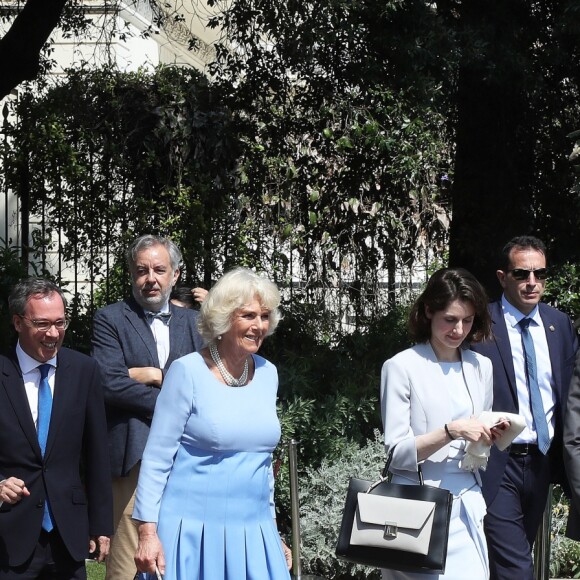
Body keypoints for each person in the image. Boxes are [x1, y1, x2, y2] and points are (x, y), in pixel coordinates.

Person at [132, 267, 292, 580]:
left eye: (264, 316)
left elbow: (262, 464)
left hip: (254, 530)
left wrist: (273, 531)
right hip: (193, 532)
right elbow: (157, 458)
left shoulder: (268, 373)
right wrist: (148, 534)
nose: (258, 325)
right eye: (248, 315)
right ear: (222, 318)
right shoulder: (186, 372)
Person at [381, 267, 505, 580]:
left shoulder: (481, 366)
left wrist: (489, 434)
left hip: (468, 503)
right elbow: (397, 453)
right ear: (428, 311)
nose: (459, 329)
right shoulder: (402, 366)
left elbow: (478, 437)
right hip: (417, 507)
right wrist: (450, 431)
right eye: (450, 319)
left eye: (467, 320)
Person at [91, 234, 203, 580]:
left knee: (184, 558)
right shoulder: (110, 318)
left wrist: (152, 376)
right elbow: (109, 383)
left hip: (189, 457)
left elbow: (208, 384)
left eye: (158, 269)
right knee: (129, 563)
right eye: (141, 271)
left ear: (176, 275)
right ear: (131, 275)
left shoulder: (198, 324)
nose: (150, 279)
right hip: (133, 456)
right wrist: (174, 402)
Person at [472, 235, 578, 580]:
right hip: (497, 461)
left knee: (513, 559)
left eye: (539, 274)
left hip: (543, 461)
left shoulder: (559, 325)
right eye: (522, 274)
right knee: (517, 567)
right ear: (503, 277)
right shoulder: (480, 325)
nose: (532, 283)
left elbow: (568, 395)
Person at [0, 278, 112, 578]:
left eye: (60, 323)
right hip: (9, 534)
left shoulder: (84, 370)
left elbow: (97, 453)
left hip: (68, 534)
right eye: (42, 324)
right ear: (17, 322)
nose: (53, 334)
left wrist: (101, 525)